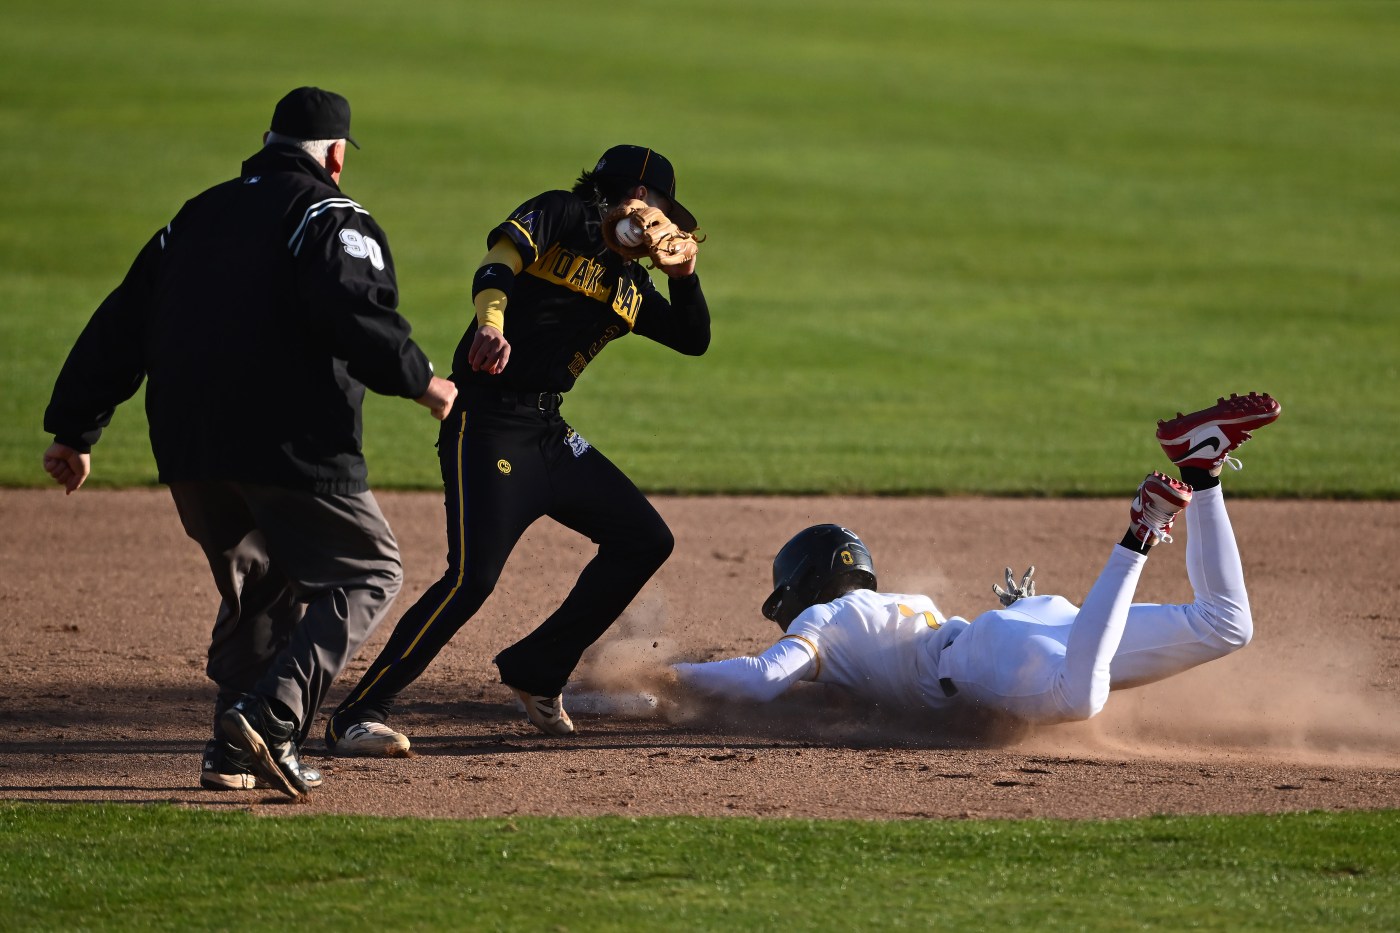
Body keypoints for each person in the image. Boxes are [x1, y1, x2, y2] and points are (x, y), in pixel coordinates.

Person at [41, 87, 458, 798]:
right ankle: (272, 716)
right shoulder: (330, 214)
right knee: (368, 571)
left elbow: (121, 320)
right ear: (334, 155)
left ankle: (229, 753)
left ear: (269, 143)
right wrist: (425, 383)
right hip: (290, 442)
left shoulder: (195, 215)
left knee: (261, 589)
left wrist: (76, 428)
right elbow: (355, 311)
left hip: (190, 446)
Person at [325, 145, 711, 754]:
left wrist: (685, 275)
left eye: (661, 210)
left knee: (645, 539)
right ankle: (356, 713)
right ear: (611, 195)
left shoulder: (630, 285)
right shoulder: (560, 214)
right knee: (471, 579)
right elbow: (499, 261)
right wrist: (491, 324)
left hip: (549, 435)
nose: (653, 218)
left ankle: (538, 669)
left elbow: (694, 340)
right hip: (485, 424)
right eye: (646, 203)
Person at [671, 392, 1280, 729]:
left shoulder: (824, 623)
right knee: (1225, 625)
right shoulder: (884, 610)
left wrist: (666, 676)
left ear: (804, 587)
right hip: (1029, 627)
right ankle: (1200, 468)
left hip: (991, 657)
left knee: (1079, 699)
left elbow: (760, 677)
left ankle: (1142, 530)